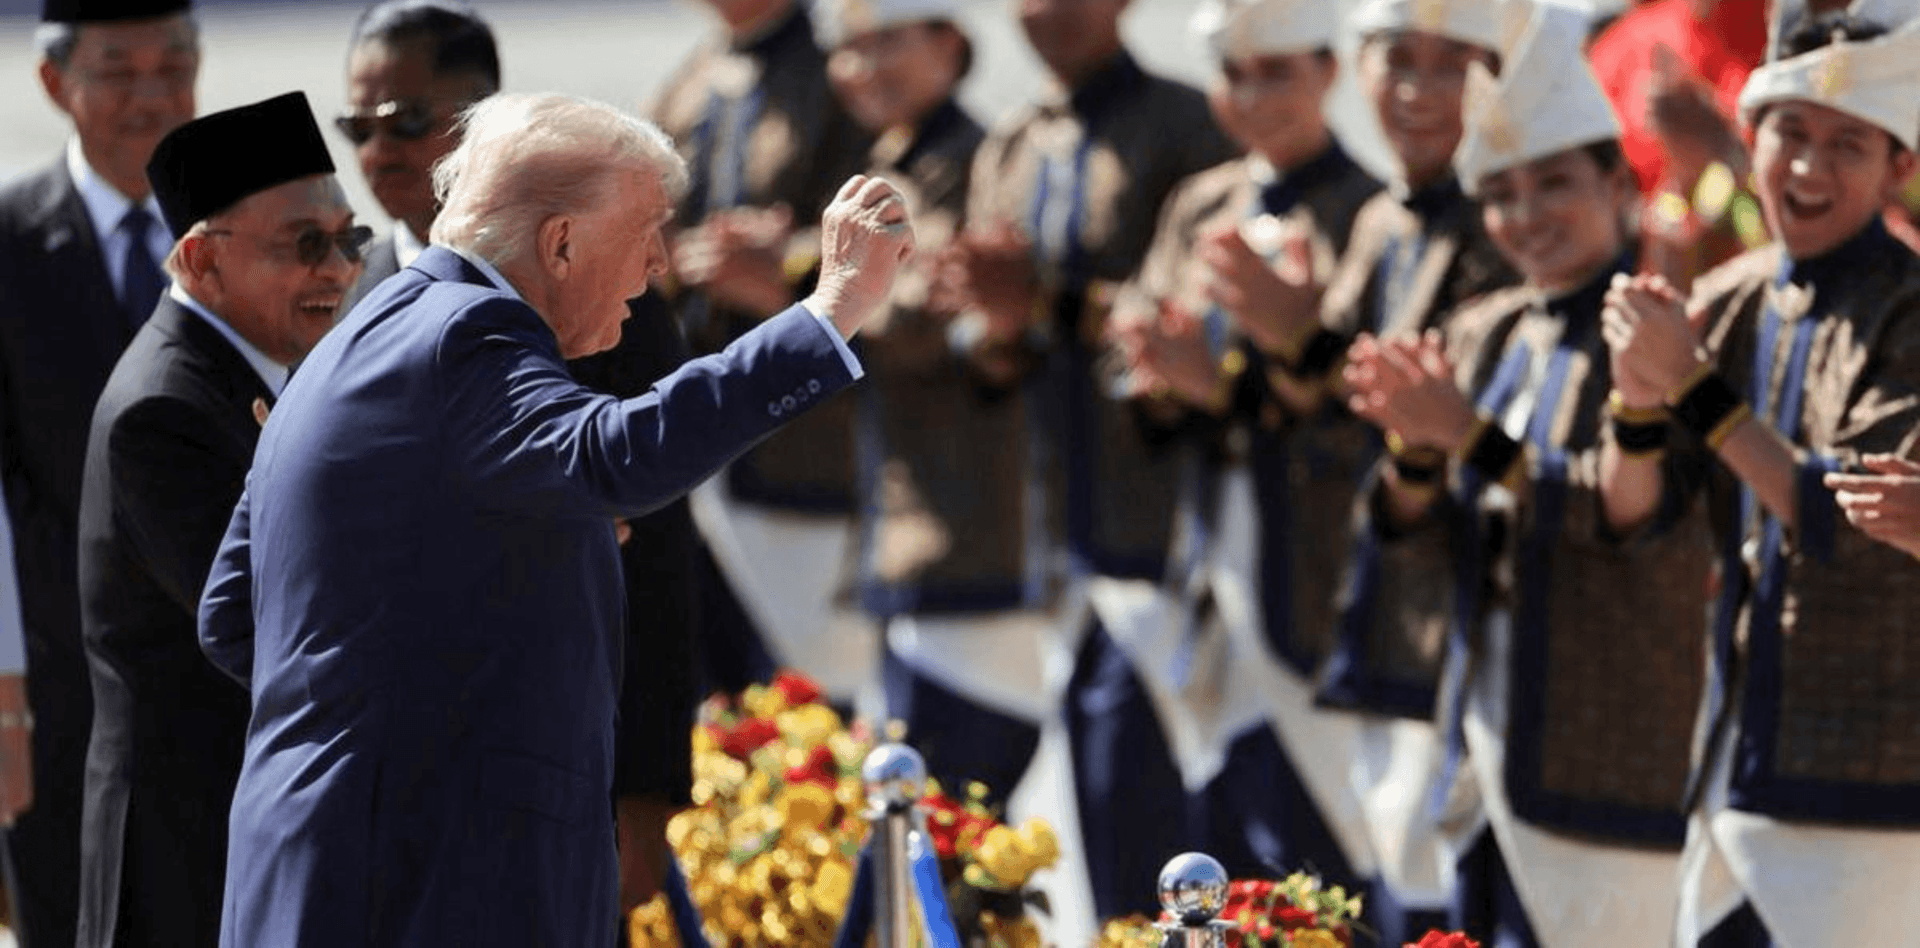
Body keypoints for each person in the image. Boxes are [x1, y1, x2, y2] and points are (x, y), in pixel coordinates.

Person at [197, 91, 912, 948]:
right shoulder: (468, 334)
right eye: (646, 230)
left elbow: (237, 616)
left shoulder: (368, 329)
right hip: (429, 878)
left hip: (345, 863)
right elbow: (615, 453)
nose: (656, 266)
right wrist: (826, 315)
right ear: (560, 243)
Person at [1345, 7, 1711, 945]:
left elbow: (1636, 518)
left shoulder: (1660, 325)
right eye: (1502, 194)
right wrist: (1414, 459)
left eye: (1555, 183)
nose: (1528, 215)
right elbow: (1410, 527)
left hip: (1611, 751)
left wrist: (1462, 437)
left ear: (1619, 186)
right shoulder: (1487, 329)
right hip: (1478, 735)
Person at [1605, 5, 1920, 946]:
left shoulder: (1911, 307)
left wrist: (1692, 389)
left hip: (1870, 780)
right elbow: (1633, 515)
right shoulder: (1729, 294)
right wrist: (1634, 396)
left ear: (1898, 166)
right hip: (1728, 749)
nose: (1810, 168)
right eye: (1791, 134)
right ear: (1752, 139)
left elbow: (1847, 520)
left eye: (1847, 144)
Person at [947, 0, 1236, 917]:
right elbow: (991, 346)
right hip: (1043, 519)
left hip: (1165, 520)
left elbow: (1196, 322)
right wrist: (994, 326)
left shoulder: (1188, 125)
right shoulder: (1013, 140)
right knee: (1081, 810)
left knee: (1145, 810)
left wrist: (1049, 304)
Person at [1106, 0, 1381, 907]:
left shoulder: (1367, 213)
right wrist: (1157, 374)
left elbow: (1367, 405)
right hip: (1200, 554)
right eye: (1235, 74)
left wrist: (1226, 385)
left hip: (1320, 568)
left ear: (1329, 73)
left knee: (1315, 846)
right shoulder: (1203, 201)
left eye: (1279, 72)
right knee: (1213, 837)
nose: (1255, 96)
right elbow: (1139, 347)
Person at [75, 92, 364, 948]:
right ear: (200, 262)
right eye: (305, 245)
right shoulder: (163, 412)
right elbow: (273, 627)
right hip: (188, 857)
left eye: (349, 239)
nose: (340, 271)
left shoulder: (265, 369)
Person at [1264, 1, 1520, 939]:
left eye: (1454, 62)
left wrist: (1295, 340)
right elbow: (1325, 395)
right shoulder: (1383, 214)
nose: (1417, 90)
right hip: (1367, 597)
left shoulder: (1515, 222)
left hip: (1469, 617)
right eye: (1396, 59)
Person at [0, 2, 198, 944]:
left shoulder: (262, 233)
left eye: (176, 64)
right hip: (58, 708)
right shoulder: (6, 243)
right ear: (55, 83)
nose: (154, 94)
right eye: (120, 70)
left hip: (228, 699)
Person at [816, 0, 1043, 796]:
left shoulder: (974, 157)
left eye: (887, 41)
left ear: (951, 44)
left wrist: (801, 289)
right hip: (908, 523)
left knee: (947, 817)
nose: (865, 66)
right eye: (848, 50)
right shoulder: (896, 156)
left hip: (970, 531)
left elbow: (931, 302)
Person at [651, 0, 879, 702]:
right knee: (711, 715)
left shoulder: (842, 72)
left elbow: (895, 231)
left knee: (812, 717)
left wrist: (786, 277)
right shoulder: (691, 76)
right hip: (692, 447)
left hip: (809, 452)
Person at [338, 0, 500, 311]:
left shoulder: (585, 287)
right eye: (358, 127)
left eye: (407, 120)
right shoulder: (335, 301)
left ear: (483, 115)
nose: (377, 152)